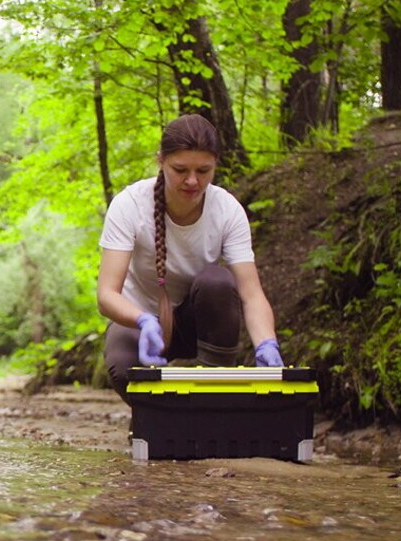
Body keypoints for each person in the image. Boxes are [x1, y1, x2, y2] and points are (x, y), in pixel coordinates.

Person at [97, 113, 283, 395]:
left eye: (204, 171)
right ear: (161, 161)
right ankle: (156, 420)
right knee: (124, 368)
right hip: (140, 323)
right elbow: (107, 294)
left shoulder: (227, 210)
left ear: (216, 164)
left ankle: (214, 398)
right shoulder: (129, 205)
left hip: (195, 322)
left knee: (217, 282)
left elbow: (251, 294)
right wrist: (143, 320)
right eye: (180, 170)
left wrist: (267, 343)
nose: (193, 181)